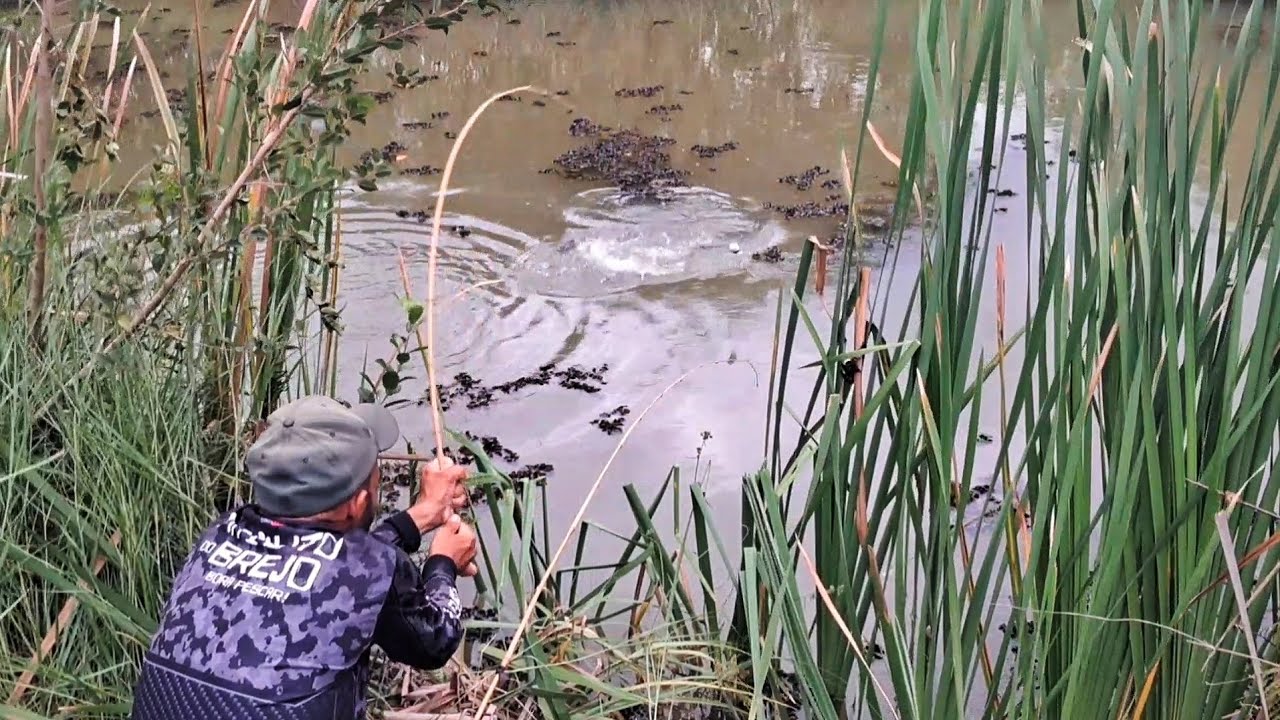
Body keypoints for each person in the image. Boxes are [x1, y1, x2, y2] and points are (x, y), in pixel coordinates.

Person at [131, 395, 478, 720]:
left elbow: (327, 565)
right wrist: (442, 565)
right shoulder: (371, 571)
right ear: (358, 504)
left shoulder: (220, 533)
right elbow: (434, 640)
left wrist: (418, 517)